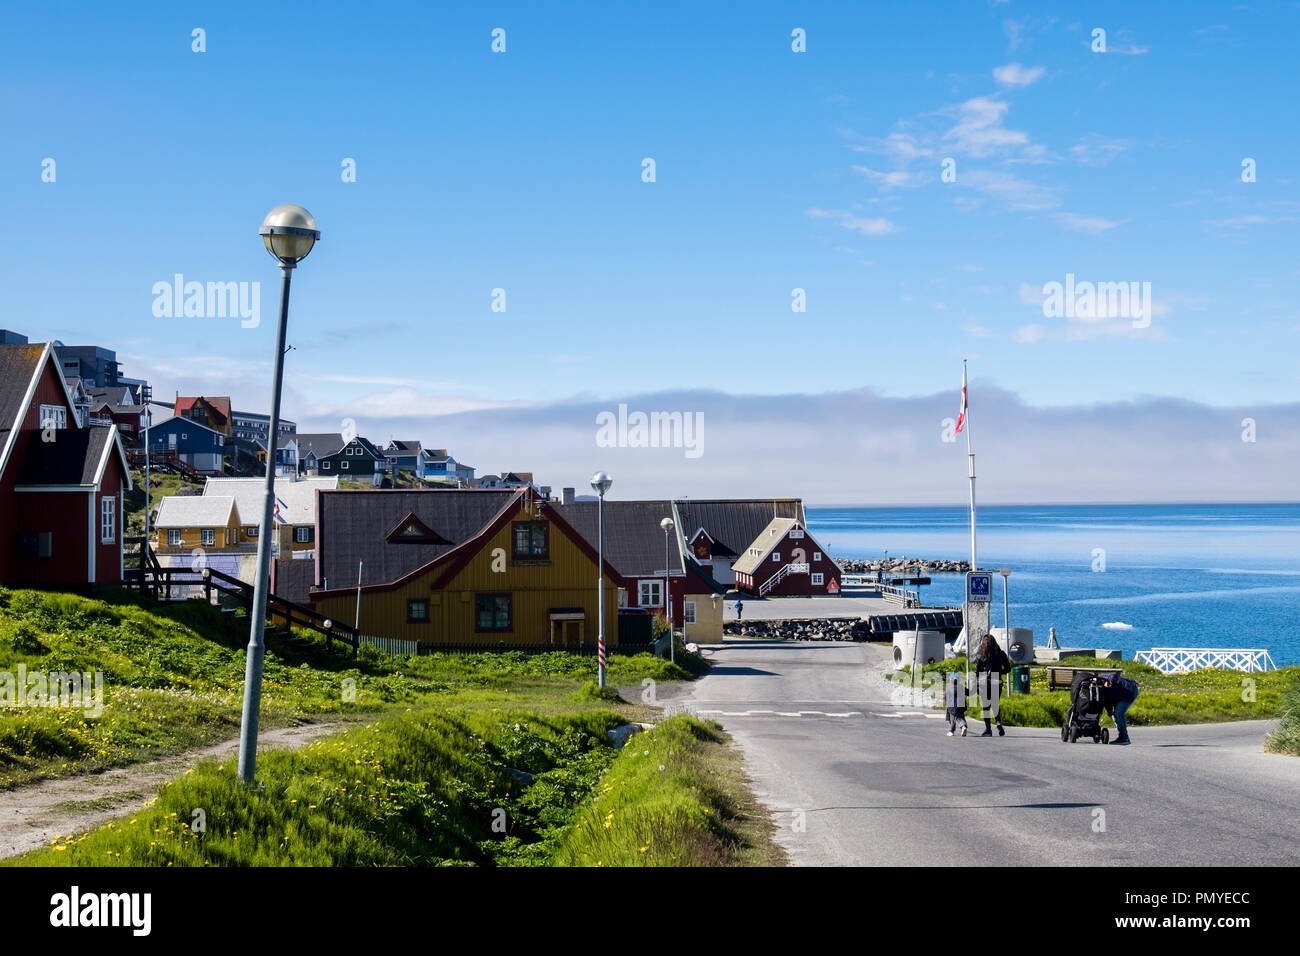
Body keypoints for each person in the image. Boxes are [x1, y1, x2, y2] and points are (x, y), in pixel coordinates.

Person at [973, 633, 1011, 737]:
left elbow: (976, 671)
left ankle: (988, 730)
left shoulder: (981, 654)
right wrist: (999, 672)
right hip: (997, 681)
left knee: (986, 707)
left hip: (984, 682)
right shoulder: (1001, 654)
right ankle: (998, 723)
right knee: (995, 704)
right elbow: (1008, 669)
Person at [1102, 674, 1140, 745]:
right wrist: (1109, 710)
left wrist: (1110, 681)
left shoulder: (1104, 678)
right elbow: (1106, 701)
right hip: (1119, 695)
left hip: (1129, 691)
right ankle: (1122, 737)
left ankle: (1124, 738)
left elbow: (1114, 676)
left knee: (1119, 713)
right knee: (1116, 715)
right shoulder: (1100, 691)